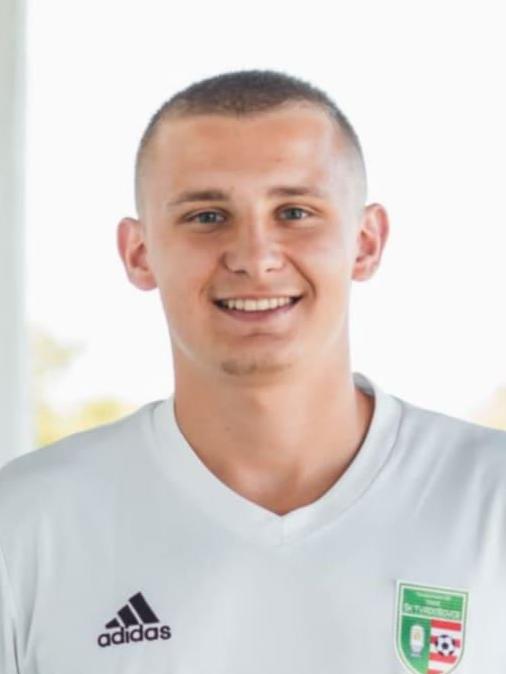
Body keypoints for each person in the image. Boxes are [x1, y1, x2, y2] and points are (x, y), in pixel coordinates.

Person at [0, 69, 505, 674]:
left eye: (294, 211)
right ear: (138, 253)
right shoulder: (25, 524)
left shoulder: (489, 501)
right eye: (207, 216)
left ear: (367, 242)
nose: (254, 257)